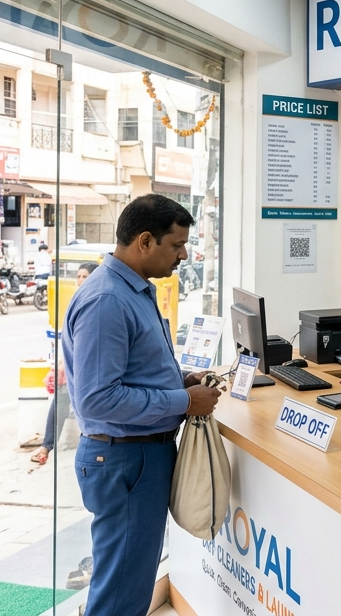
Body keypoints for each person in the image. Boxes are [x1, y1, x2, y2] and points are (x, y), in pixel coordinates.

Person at [64, 195, 219, 616]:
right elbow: (99, 399)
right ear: (145, 241)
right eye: (177, 245)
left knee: (129, 582)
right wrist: (184, 400)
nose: (184, 255)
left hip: (140, 455)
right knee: (120, 592)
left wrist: (179, 379)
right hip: (124, 458)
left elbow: (131, 371)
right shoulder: (108, 300)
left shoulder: (134, 289)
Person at [31, 261, 98, 465]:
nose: (80, 280)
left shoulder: (98, 301)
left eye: (84, 276)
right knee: (61, 399)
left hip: (90, 368)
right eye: (78, 276)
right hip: (74, 367)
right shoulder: (77, 300)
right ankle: (47, 444)